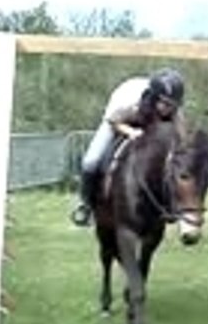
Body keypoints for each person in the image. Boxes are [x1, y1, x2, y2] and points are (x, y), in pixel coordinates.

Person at [70, 67, 187, 227]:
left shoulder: (175, 112)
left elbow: (181, 139)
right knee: (91, 161)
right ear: (154, 98)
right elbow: (114, 120)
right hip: (118, 119)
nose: (168, 109)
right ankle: (85, 205)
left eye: (173, 106)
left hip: (142, 122)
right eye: (165, 104)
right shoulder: (134, 104)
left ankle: (171, 206)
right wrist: (131, 132)